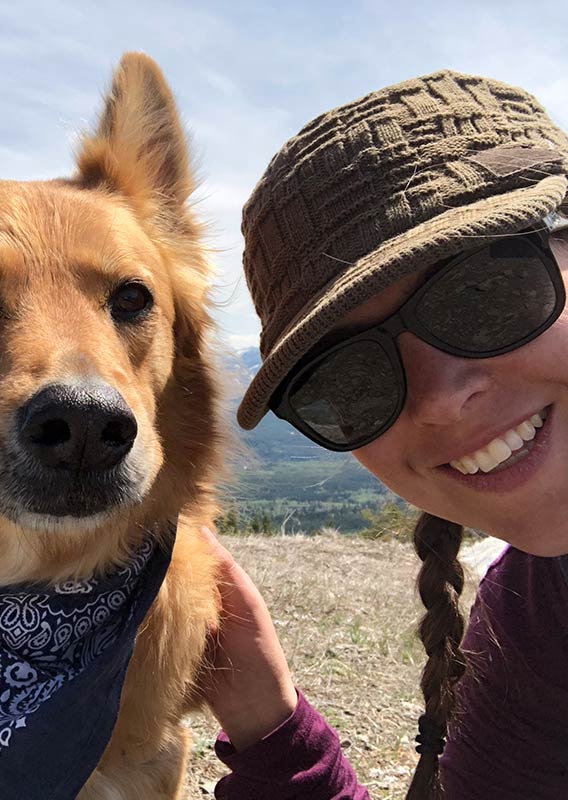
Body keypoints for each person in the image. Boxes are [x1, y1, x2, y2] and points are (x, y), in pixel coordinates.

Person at [200, 69, 568, 800]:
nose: (439, 402)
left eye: (486, 293)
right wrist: (269, 726)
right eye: (347, 384)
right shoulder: (533, 619)